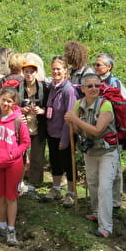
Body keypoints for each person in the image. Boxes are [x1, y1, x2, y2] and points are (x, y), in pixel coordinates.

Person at [64, 74, 119, 238]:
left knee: (104, 188)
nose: (94, 88)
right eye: (90, 86)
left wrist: (75, 119)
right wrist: (71, 124)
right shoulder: (78, 105)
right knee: (93, 184)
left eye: (97, 85)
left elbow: (97, 130)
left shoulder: (106, 105)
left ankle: (106, 227)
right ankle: (96, 213)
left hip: (108, 152)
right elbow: (76, 129)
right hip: (90, 151)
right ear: (83, 89)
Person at [93, 52, 126, 210]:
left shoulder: (116, 84)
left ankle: (115, 200)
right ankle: (102, 199)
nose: (95, 67)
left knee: (114, 166)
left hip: (113, 131)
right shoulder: (93, 82)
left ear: (109, 67)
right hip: (95, 130)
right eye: (95, 64)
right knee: (98, 164)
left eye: (98, 64)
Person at [0, 87, 31, 246]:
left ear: (14, 103)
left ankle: (11, 228)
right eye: (3, 99)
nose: (5, 103)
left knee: (11, 196)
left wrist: (14, 154)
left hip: (13, 163)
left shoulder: (18, 119)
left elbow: (26, 141)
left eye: (9, 101)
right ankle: (1, 224)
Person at [42, 56, 77, 207]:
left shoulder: (68, 90)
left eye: (59, 69)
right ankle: (56, 188)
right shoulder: (52, 87)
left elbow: (70, 116)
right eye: (54, 69)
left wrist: (65, 139)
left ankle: (71, 192)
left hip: (65, 133)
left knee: (68, 163)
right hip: (52, 131)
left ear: (65, 71)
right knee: (55, 161)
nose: (56, 71)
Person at [17, 60, 48, 197]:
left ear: (36, 72)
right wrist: (20, 110)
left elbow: (49, 106)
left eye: (31, 71)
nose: (29, 74)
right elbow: (13, 105)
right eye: (26, 71)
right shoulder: (18, 87)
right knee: (21, 155)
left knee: (37, 155)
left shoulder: (44, 88)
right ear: (23, 72)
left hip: (38, 126)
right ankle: (19, 180)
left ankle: (34, 182)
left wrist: (42, 110)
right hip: (22, 126)